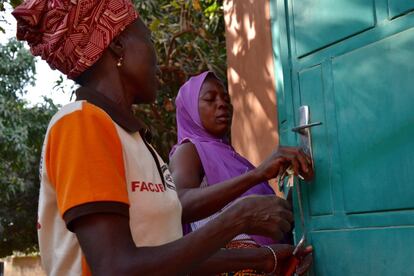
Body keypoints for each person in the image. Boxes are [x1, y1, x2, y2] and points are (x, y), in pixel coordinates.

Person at [12, 0, 312, 275]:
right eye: (149, 41)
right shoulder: (81, 123)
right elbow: (116, 267)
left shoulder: (137, 143)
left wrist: (264, 259)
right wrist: (239, 217)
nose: (156, 59)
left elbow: (167, 257)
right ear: (117, 46)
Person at [169, 72, 313, 273]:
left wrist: (298, 190)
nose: (222, 104)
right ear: (189, 110)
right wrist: (258, 174)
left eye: (226, 99)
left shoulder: (232, 157)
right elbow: (178, 203)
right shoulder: (189, 150)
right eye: (210, 99)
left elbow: (264, 215)